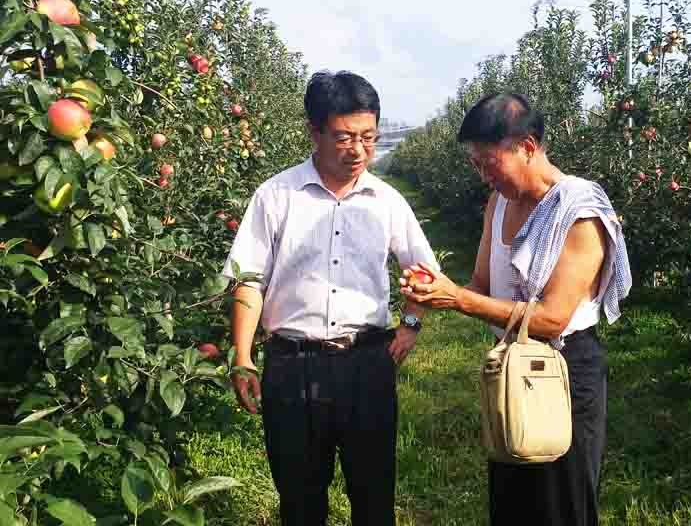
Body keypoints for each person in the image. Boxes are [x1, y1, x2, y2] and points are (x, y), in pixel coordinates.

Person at [399, 92, 632, 526]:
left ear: (526, 146)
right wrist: (436, 293)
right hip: (510, 365)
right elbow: (482, 288)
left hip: (565, 369)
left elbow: (551, 319)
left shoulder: (579, 213)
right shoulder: (499, 203)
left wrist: (459, 298)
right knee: (513, 501)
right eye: (476, 165)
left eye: (489, 162)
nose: (484, 176)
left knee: (562, 503)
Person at [222, 70, 437, 526]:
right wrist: (242, 356)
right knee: (300, 500)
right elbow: (248, 281)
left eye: (368, 137)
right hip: (291, 365)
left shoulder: (387, 201)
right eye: (343, 137)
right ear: (314, 132)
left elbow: (423, 270)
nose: (358, 150)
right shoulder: (276, 196)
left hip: (367, 363)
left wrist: (411, 324)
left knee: (374, 494)